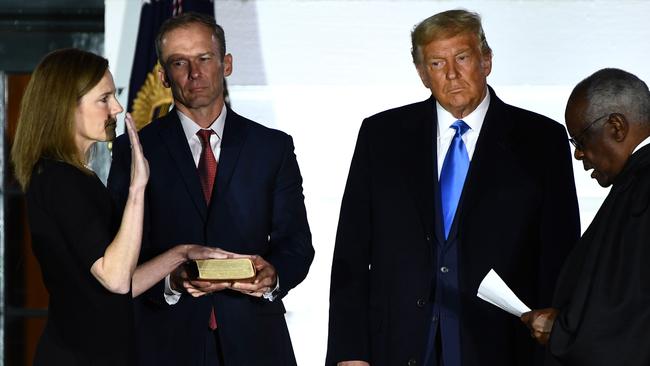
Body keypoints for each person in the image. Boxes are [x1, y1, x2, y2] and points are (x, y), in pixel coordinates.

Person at [326, 9, 580, 366]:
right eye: (436, 63)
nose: (452, 74)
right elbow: (351, 255)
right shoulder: (381, 137)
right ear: (422, 74)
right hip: (399, 345)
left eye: (462, 58)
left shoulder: (541, 141)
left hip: (502, 346)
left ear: (486, 61)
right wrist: (349, 352)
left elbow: (559, 255)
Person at [107, 12, 314, 366]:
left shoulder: (272, 147)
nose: (195, 72)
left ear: (226, 64)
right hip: (164, 342)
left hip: (256, 342)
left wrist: (272, 275)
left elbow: (295, 245)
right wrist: (172, 281)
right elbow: (122, 252)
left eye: (204, 58)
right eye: (179, 62)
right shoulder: (137, 148)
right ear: (163, 76)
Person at [11, 48, 225, 365]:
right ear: (66, 104)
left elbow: (121, 286)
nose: (118, 108)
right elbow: (116, 278)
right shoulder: (61, 179)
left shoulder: (68, 177)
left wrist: (183, 252)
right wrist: (138, 187)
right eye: (104, 98)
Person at [521, 68, 650, 365]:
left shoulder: (642, 192)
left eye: (580, 140)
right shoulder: (635, 185)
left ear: (616, 127)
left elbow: (635, 317)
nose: (579, 155)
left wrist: (563, 333)